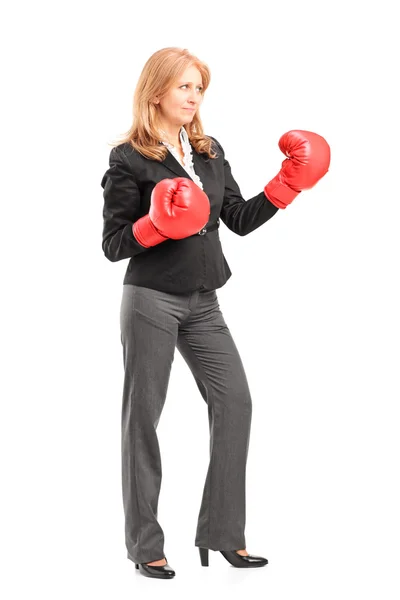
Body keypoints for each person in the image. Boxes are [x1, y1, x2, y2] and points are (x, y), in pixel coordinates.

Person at [100, 47, 330, 580]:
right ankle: (144, 545)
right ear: (156, 91)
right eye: (184, 86)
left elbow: (239, 219)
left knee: (236, 402)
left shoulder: (208, 149)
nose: (193, 97)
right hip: (151, 299)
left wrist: (289, 183)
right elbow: (112, 245)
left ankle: (224, 534)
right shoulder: (129, 158)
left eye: (199, 88)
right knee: (143, 420)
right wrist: (155, 224)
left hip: (205, 301)